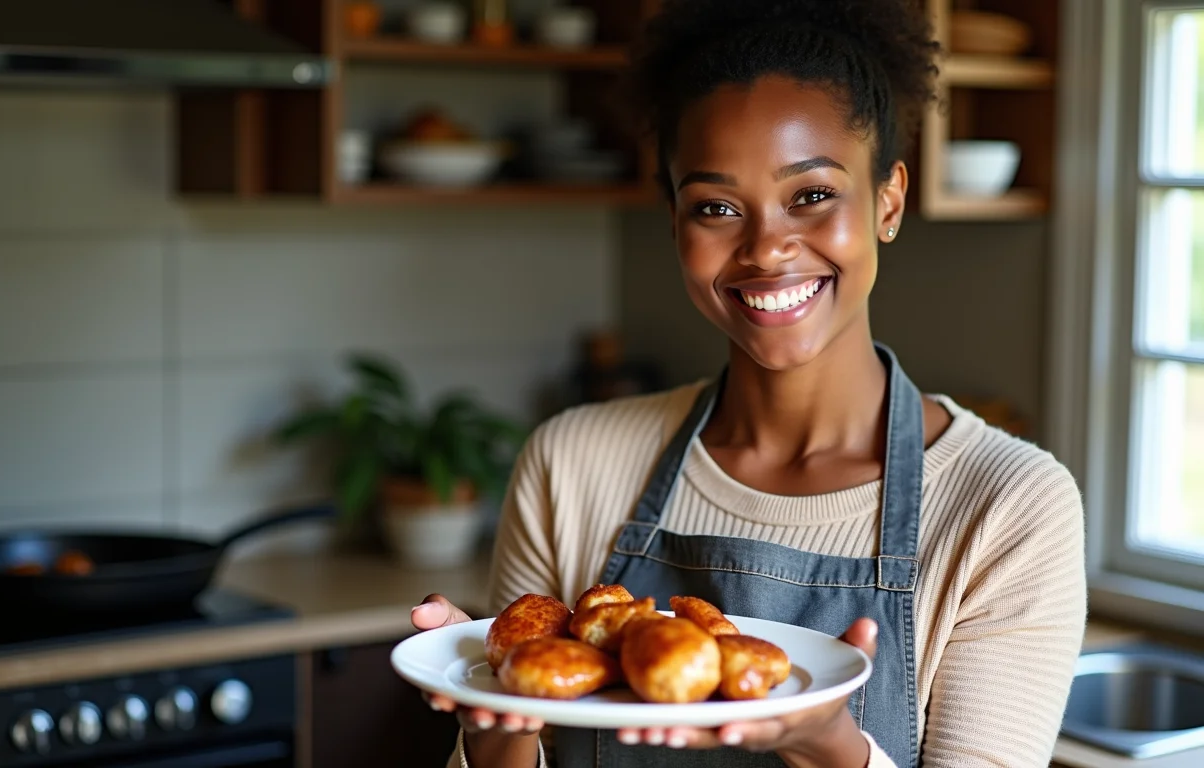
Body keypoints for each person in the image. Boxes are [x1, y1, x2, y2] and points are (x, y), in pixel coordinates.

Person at [410, 0, 1088, 765]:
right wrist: (493, 724)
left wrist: (826, 746)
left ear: (889, 202)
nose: (767, 248)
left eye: (812, 195)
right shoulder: (571, 461)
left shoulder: (1008, 506)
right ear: (676, 226)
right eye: (717, 207)